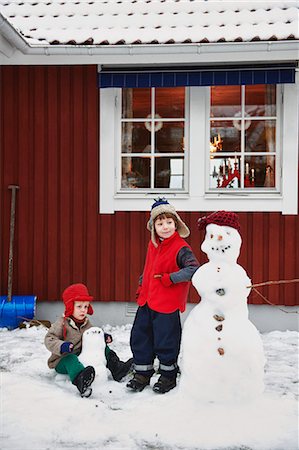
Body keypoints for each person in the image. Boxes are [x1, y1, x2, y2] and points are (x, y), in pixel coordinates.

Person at [126, 198, 199, 394]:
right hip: (147, 301)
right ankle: (143, 372)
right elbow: (149, 269)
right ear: (153, 228)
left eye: (169, 223)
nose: (165, 227)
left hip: (167, 304)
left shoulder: (180, 247)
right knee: (140, 336)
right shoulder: (154, 245)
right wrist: (142, 284)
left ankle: (168, 375)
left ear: (176, 224)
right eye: (160, 224)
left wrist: (171, 278)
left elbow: (193, 269)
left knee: (166, 339)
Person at [44, 283, 133, 398]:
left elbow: (93, 336)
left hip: (81, 356)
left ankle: (117, 369)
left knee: (104, 348)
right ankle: (81, 380)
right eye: (79, 307)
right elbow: (49, 339)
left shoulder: (86, 323)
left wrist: (102, 338)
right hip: (63, 360)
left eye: (86, 307)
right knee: (70, 359)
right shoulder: (62, 324)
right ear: (70, 306)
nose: (83, 310)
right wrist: (61, 346)